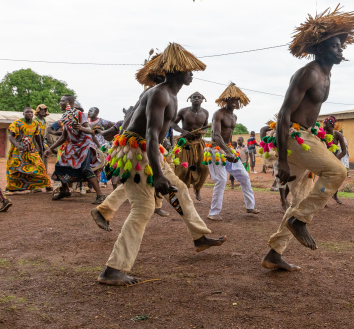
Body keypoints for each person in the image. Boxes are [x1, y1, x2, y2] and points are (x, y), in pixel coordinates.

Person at [93, 43, 225, 286]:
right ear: (176, 70)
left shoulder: (170, 95)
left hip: (148, 151)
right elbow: (151, 135)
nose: (192, 74)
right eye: (188, 70)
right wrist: (158, 173)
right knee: (143, 209)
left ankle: (199, 238)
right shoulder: (160, 94)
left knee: (180, 190)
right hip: (137, 152)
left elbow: (157, 134)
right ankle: (113, 269)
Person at [261, 5, 354, 271]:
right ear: (321, 49)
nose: (341, 50)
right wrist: (281, 159)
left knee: (298, 199)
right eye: (336, 46)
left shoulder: (326, 74)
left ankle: (274, 253)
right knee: (337, 171)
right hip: (293, 136)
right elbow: (282, 115)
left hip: (304, 137)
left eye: (341, 46)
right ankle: (300, 221)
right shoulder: (310, 73)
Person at [206, 83, 258, 221]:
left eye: (237, 100)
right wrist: (226, 151)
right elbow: (216, 135)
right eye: (232, 100)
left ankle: (250, 206)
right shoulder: (218, 114)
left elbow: (228, 136)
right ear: (226, 100)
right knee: (221, 180)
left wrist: (230, 151)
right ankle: (213, 213)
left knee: (244, 176)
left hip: (228, 149)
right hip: (216, 149)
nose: (235, 102)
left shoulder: (234, 117)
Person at [43, 95, 105, 204]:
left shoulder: (79, 114)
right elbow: (63, 137)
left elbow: (90, 130)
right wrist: (50, 148)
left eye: (62, 101)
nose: (59, 103)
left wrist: (81, 128)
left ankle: (100, 195)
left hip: (85, 146)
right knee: (59, 165)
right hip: (72, 147)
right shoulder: (65, 117)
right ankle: (65, 190)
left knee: (85, 169)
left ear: (69, 103)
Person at [171, 92, 210, 201]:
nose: (196, 99)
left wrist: (202, 132)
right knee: (183, 169)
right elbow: (172, 123)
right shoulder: (184, 111)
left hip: (199, 143)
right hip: (185, 143)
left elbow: (206, 126)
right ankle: (180, 190)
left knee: (204, 167)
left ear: (202, 100)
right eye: (194, 97)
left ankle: (197, 189)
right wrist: (182, 131)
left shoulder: (205, 112)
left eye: (199, 97)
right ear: (190, 99)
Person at [6, 107, 52, 193]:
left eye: (31, 112)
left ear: (33, 114)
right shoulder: (17, 123)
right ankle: (10, 188)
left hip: (30, 149)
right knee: (15, 169)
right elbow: (10, 136)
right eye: (27, 112)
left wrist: (41, 149)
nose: (29, 114)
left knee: (39, 166)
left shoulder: (35, 124)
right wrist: (17, 145)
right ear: (23, 114)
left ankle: (46, 185)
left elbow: (38, 137)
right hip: (17, 149)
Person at [323, 116, 348, 204]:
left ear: (331, 125)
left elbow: (344, 151)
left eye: (325, 124)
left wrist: (335, 159)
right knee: (324, 179)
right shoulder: (321, 134)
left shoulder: (338, 135)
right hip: (323, 158)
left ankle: (335, 195)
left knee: (336, 178)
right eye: (323, 124)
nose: (323, 126)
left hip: (335, 158)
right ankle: (323, 199)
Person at [33, 104, 50, 173]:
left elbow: (48, 136)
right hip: (35, 143)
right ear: (38, 111)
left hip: (44, 143)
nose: (43, 112)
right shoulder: (33, 121)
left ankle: (43, 173)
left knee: (44, 158)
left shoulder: (46, 122)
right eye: (41, 110)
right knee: (35, 159)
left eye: (44, 110)